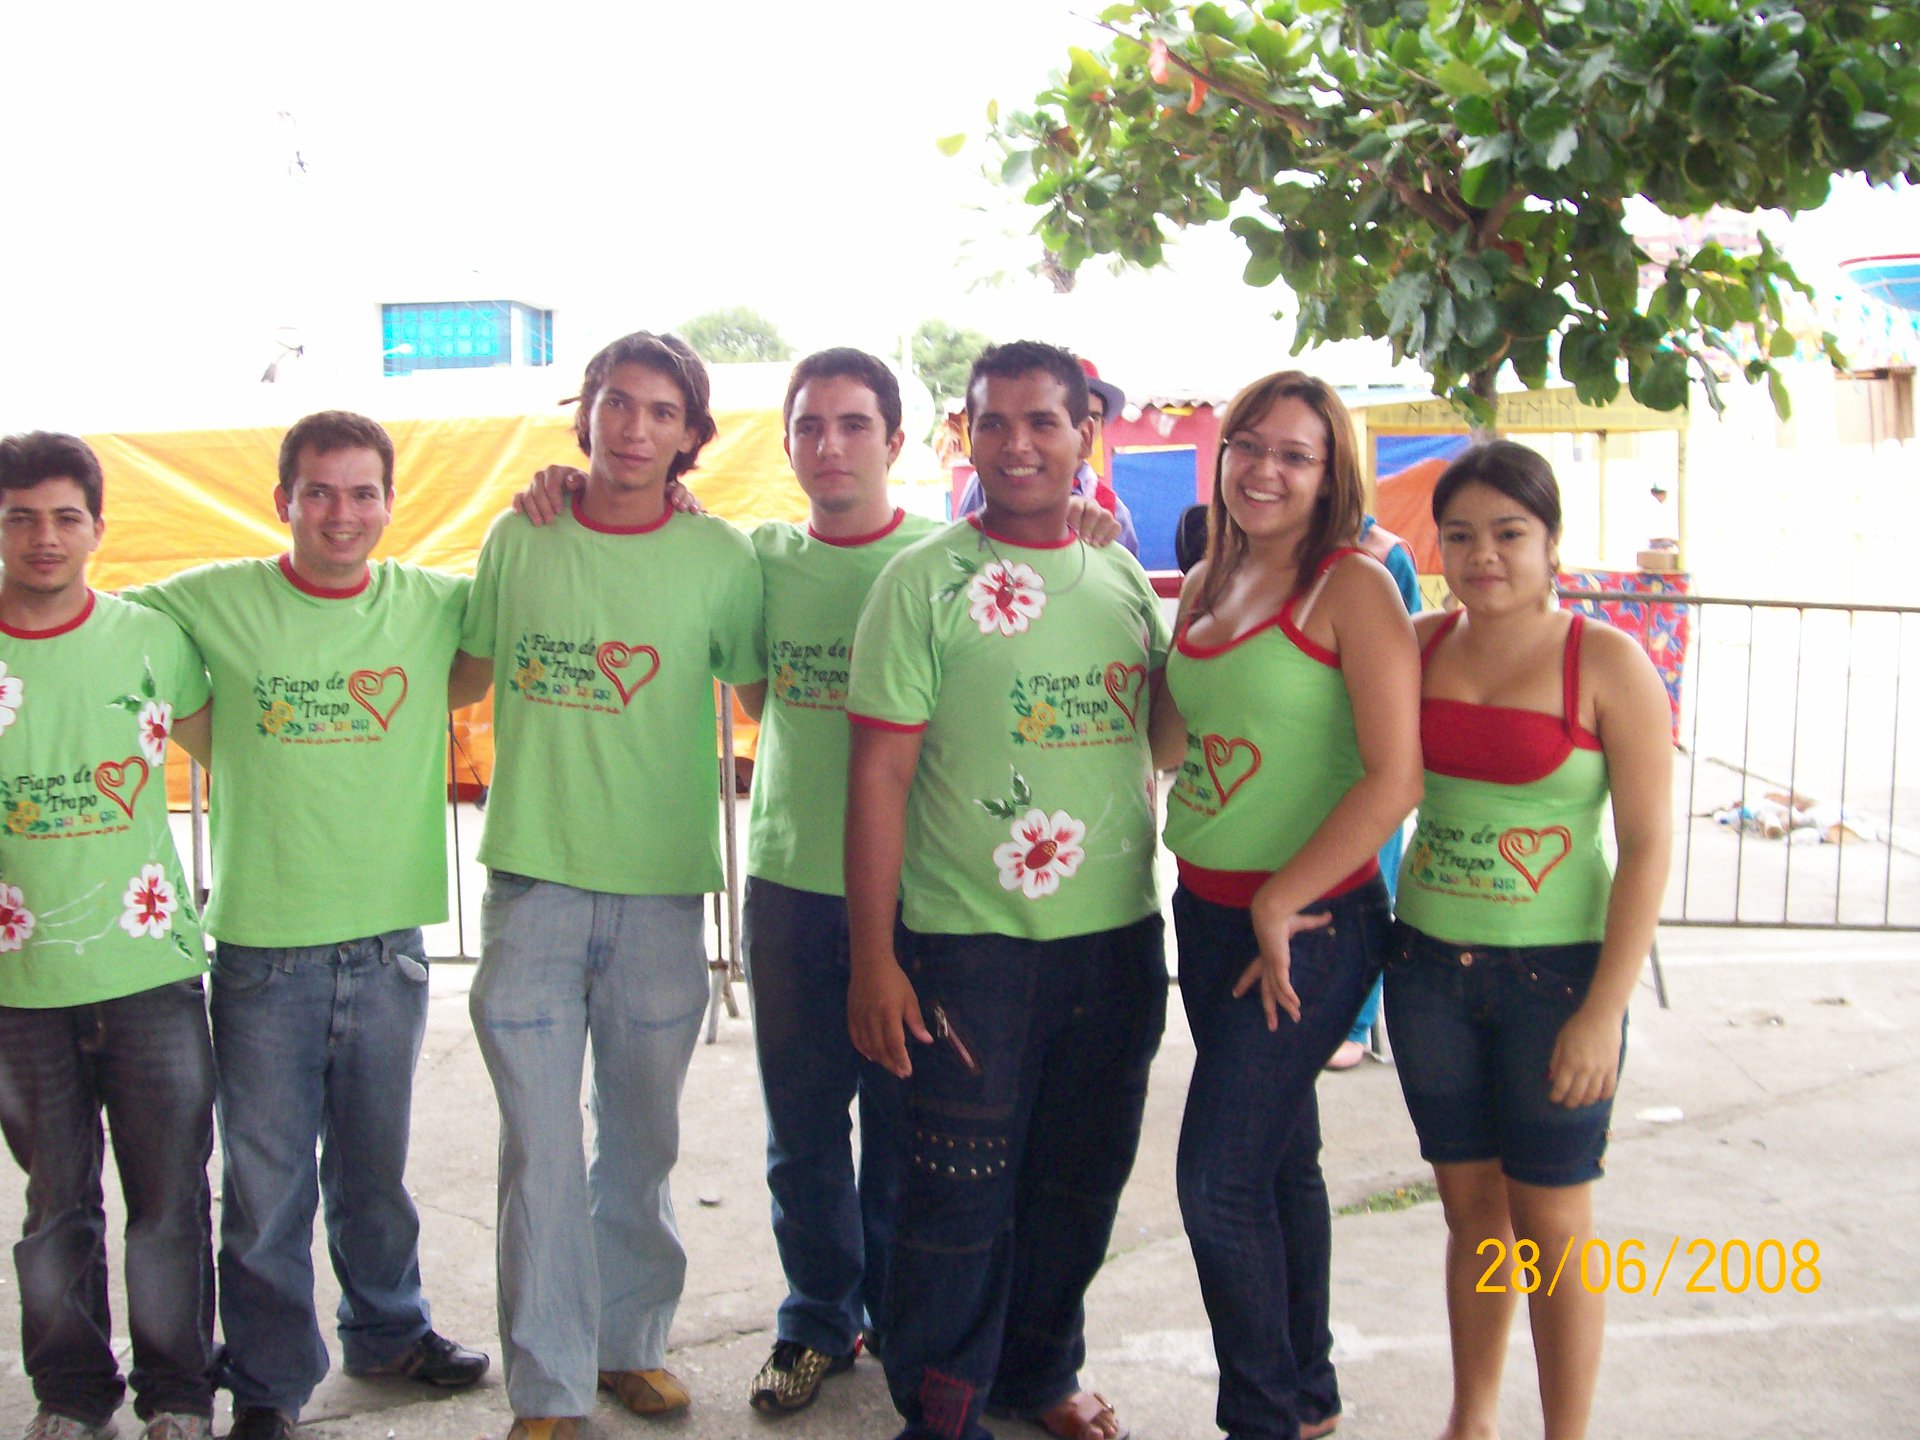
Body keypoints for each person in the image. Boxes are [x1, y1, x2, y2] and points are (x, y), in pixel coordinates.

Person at [121, 412, 489, 1440]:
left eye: (363, 492)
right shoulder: (212, 597)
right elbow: (92, 622)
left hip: (389, 948)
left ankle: (389, 1331)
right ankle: (269, 1384)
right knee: (265, 1189)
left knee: (373, 1175)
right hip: (263, 954)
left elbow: (530, 600)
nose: (341, 513)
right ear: (281, 499)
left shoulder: (430, 602)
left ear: (390, 502)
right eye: (318, 492)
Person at [846, 340, 1169, 1440]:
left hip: (1117, 941)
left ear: (1086, 435)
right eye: (994, 422)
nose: (1018, 445)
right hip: (967, 947)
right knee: (956, 1189)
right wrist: (874, 959)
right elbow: (879, 776)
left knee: (1080, 1180)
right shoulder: (920, 583)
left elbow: (1167, 736)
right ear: (966, 436)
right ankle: (943, 1406)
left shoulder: (1120, 577)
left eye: (1043, 422)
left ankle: (1040, 1374)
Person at [460, 331, 763, 1440]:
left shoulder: (722, 556)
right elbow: (461, 665)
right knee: (539, 1149)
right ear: (584, 410)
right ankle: (547, 1388)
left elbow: (770, 688)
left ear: (691, 435)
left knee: (640, 1142)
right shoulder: (520, 534)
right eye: (617, 403)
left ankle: (630, 1346)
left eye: (662, 411)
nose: (635, 428)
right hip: (532, 885)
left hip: (660, 894)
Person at [1151, 371, 1421, 1440]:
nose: (1265, 469)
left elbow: (1394, 777)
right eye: (1249, 444)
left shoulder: (1353, 586)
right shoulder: (1208, 579)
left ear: (1330, 474)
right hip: (1208, 911)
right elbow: (1172, 740)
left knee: (1216, 1183)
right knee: (1278, 1163)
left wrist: (1283, 899)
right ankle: (1307, 1398)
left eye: (1295, 454)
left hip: (1309, 926)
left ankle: (1260, 1418)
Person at [1385, 440, 1671, 1440]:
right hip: (1425, 973)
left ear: (1552, 542)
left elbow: (1647, 847)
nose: (1484, 556)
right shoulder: (1414, 645)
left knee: (1551, 1221)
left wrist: (1604, 1011)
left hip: (1560, 983)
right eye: (1460, 535)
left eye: (1510, 533)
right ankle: (1470, 1420)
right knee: (1471, 1213)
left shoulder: (1608, 661)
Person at [0, 433, 215, 1440]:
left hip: (148, 975)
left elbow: (233, 746)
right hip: (19, 984)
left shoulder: (154, 638)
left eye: (65, 517)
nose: (44, 538)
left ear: (97, 526)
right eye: (20, 517)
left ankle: (178, 1392)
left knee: (170, 1199)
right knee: (57, 1207)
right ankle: (73, 1394)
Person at [1325, 515, 1422, 1071]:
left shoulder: (1387, 557)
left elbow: (1406, 656)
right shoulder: (1272, 550)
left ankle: (1357, 1019)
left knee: (1368, 875)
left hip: (1368, 757)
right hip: (1301, 760)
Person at [955, 357, 1139, 555]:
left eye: (1093, 417)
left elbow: (1123, 571)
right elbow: (960, 553)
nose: (1018, 445)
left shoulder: (1113, 510)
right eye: (1041, 421)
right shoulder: (987, 483)